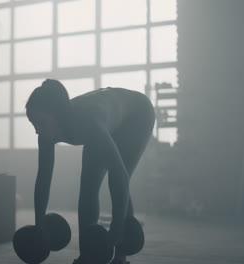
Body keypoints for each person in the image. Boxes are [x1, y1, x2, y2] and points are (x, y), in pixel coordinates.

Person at [26, 79, 155, 264]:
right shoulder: (46, 133)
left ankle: (120, 257)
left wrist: (117, 228)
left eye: (41, 123)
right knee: (88, 187)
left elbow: (119, 174)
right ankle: (88, 256)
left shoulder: (88, 123)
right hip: (107, 118)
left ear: (58, 116)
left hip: (136, 115)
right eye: (33, 124)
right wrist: (39, 226)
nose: (37, 130)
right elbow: (43, 180)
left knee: (116, 176)